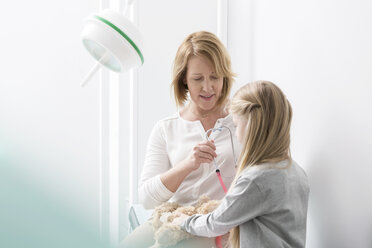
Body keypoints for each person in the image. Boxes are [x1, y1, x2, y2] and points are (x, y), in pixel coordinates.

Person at [120, 31, 241, 248]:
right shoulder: (166, 129)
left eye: (215, 77)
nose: (207, 87)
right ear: (184, 79)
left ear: (225, 76)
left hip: (215, 221)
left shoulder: (240, 123)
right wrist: (188, 164)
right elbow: (147, 198)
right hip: (174, 217)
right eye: (197, 79)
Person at [180, 81, 310, 248]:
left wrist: (183, 221)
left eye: (236, 125)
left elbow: (215, 223)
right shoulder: (297, 172)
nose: (235, 133)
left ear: (251, 126)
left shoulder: (257, 179)